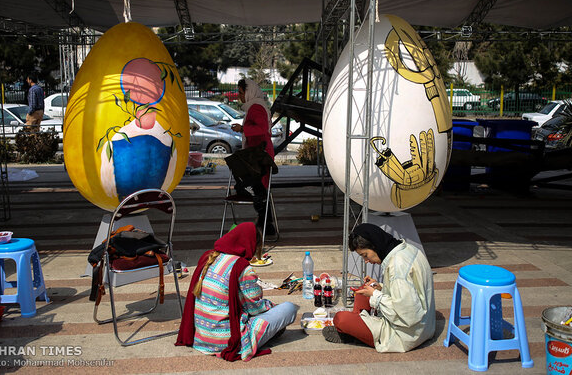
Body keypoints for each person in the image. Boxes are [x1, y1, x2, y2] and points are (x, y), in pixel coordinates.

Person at [175, 222, 297, 361]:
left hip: (201, 336)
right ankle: (259, 337)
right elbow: (255, 307)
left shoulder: (209, 257)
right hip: (226, 340)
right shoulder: (242, 268)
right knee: (289, 308)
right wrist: (272, 306)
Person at [323, 223, 436, 353]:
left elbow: (408, 316)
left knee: (340, 319)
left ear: (375, 245)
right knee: (364, 290)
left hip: (407, 334)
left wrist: (376, 296)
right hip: (425, 326)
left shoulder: (397, 266)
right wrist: (380, 287)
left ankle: (357, 333)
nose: (366, 261)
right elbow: (410, 290)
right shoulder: (407, 249)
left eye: (365, 255)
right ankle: (359, 325)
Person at [230, 79, 276, 235]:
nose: (239, 96)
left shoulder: (256, 107)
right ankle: (266, 223)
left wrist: (243, 128)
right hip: (257, 154)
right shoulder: (255, 106)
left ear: (249, 93)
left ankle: (266, 224)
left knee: (260, 189)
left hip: (260, 155)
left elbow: (262, 129)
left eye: (241, 93)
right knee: (260, 190)